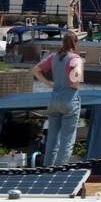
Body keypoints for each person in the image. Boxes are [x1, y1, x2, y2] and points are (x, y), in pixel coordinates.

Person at [33, 33, 84, 166]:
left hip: (54, 100)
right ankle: (59, 171)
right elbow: (76, 82)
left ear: (63, 42)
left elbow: (36, 70)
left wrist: (49, 84)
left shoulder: (53, 57)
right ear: (75, 43)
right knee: (67, 141)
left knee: (52, 139)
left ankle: (47, 170)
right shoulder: (76, 59)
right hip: (69, 101)